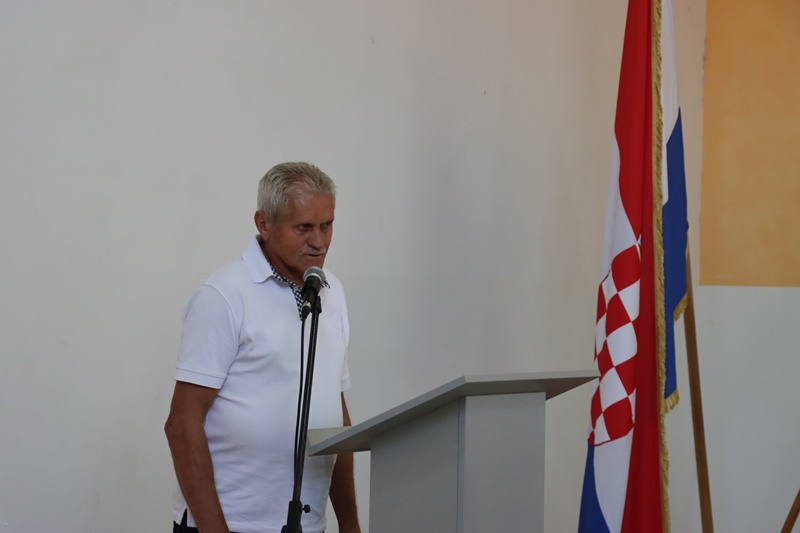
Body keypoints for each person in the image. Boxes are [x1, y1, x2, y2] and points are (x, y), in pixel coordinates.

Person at [165, 162, 361, 533]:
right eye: (303, 227)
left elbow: (335, 413)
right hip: (229, 524)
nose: (319, 241)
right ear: (264, 224)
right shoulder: (223, 295)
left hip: (308, 524)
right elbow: (181, 425)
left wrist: (349, 525)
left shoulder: (331, 292)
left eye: (327, 225)